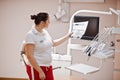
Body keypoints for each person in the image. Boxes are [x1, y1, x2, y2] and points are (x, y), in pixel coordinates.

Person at [22, 12, 72, 80]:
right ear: (42, 22)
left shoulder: (45, 32)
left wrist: (67, 36)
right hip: (36, 68)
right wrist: (40, 71)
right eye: (48, 21)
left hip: (48, 67)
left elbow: (53, 43)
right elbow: (29, 56)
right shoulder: (30, 35)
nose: (49, 22)